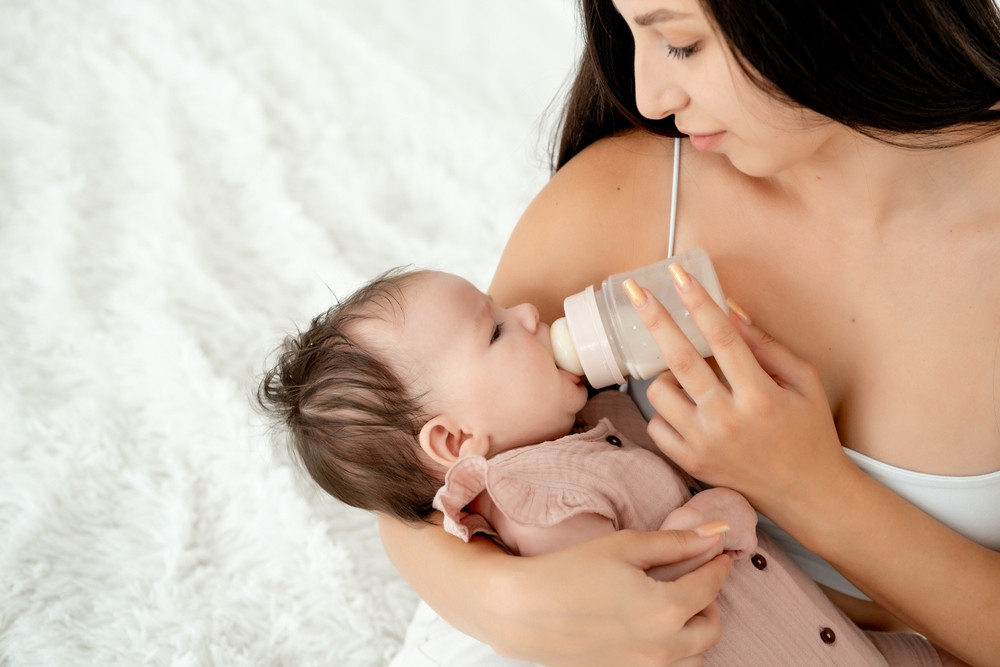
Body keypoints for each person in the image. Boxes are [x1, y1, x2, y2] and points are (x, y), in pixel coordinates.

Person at [378, 0, 1000, 665]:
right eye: (631, 34)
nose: (648, 95)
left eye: (681, 43)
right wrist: (500, 599)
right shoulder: (625, 194)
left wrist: (816, 493)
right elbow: (416, 463)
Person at [258, 267, 949, 665]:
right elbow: (636, 600)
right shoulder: (531, 498)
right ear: (454, 440)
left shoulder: (593, 420)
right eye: (495, 329)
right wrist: (728, 502)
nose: (529, 311)